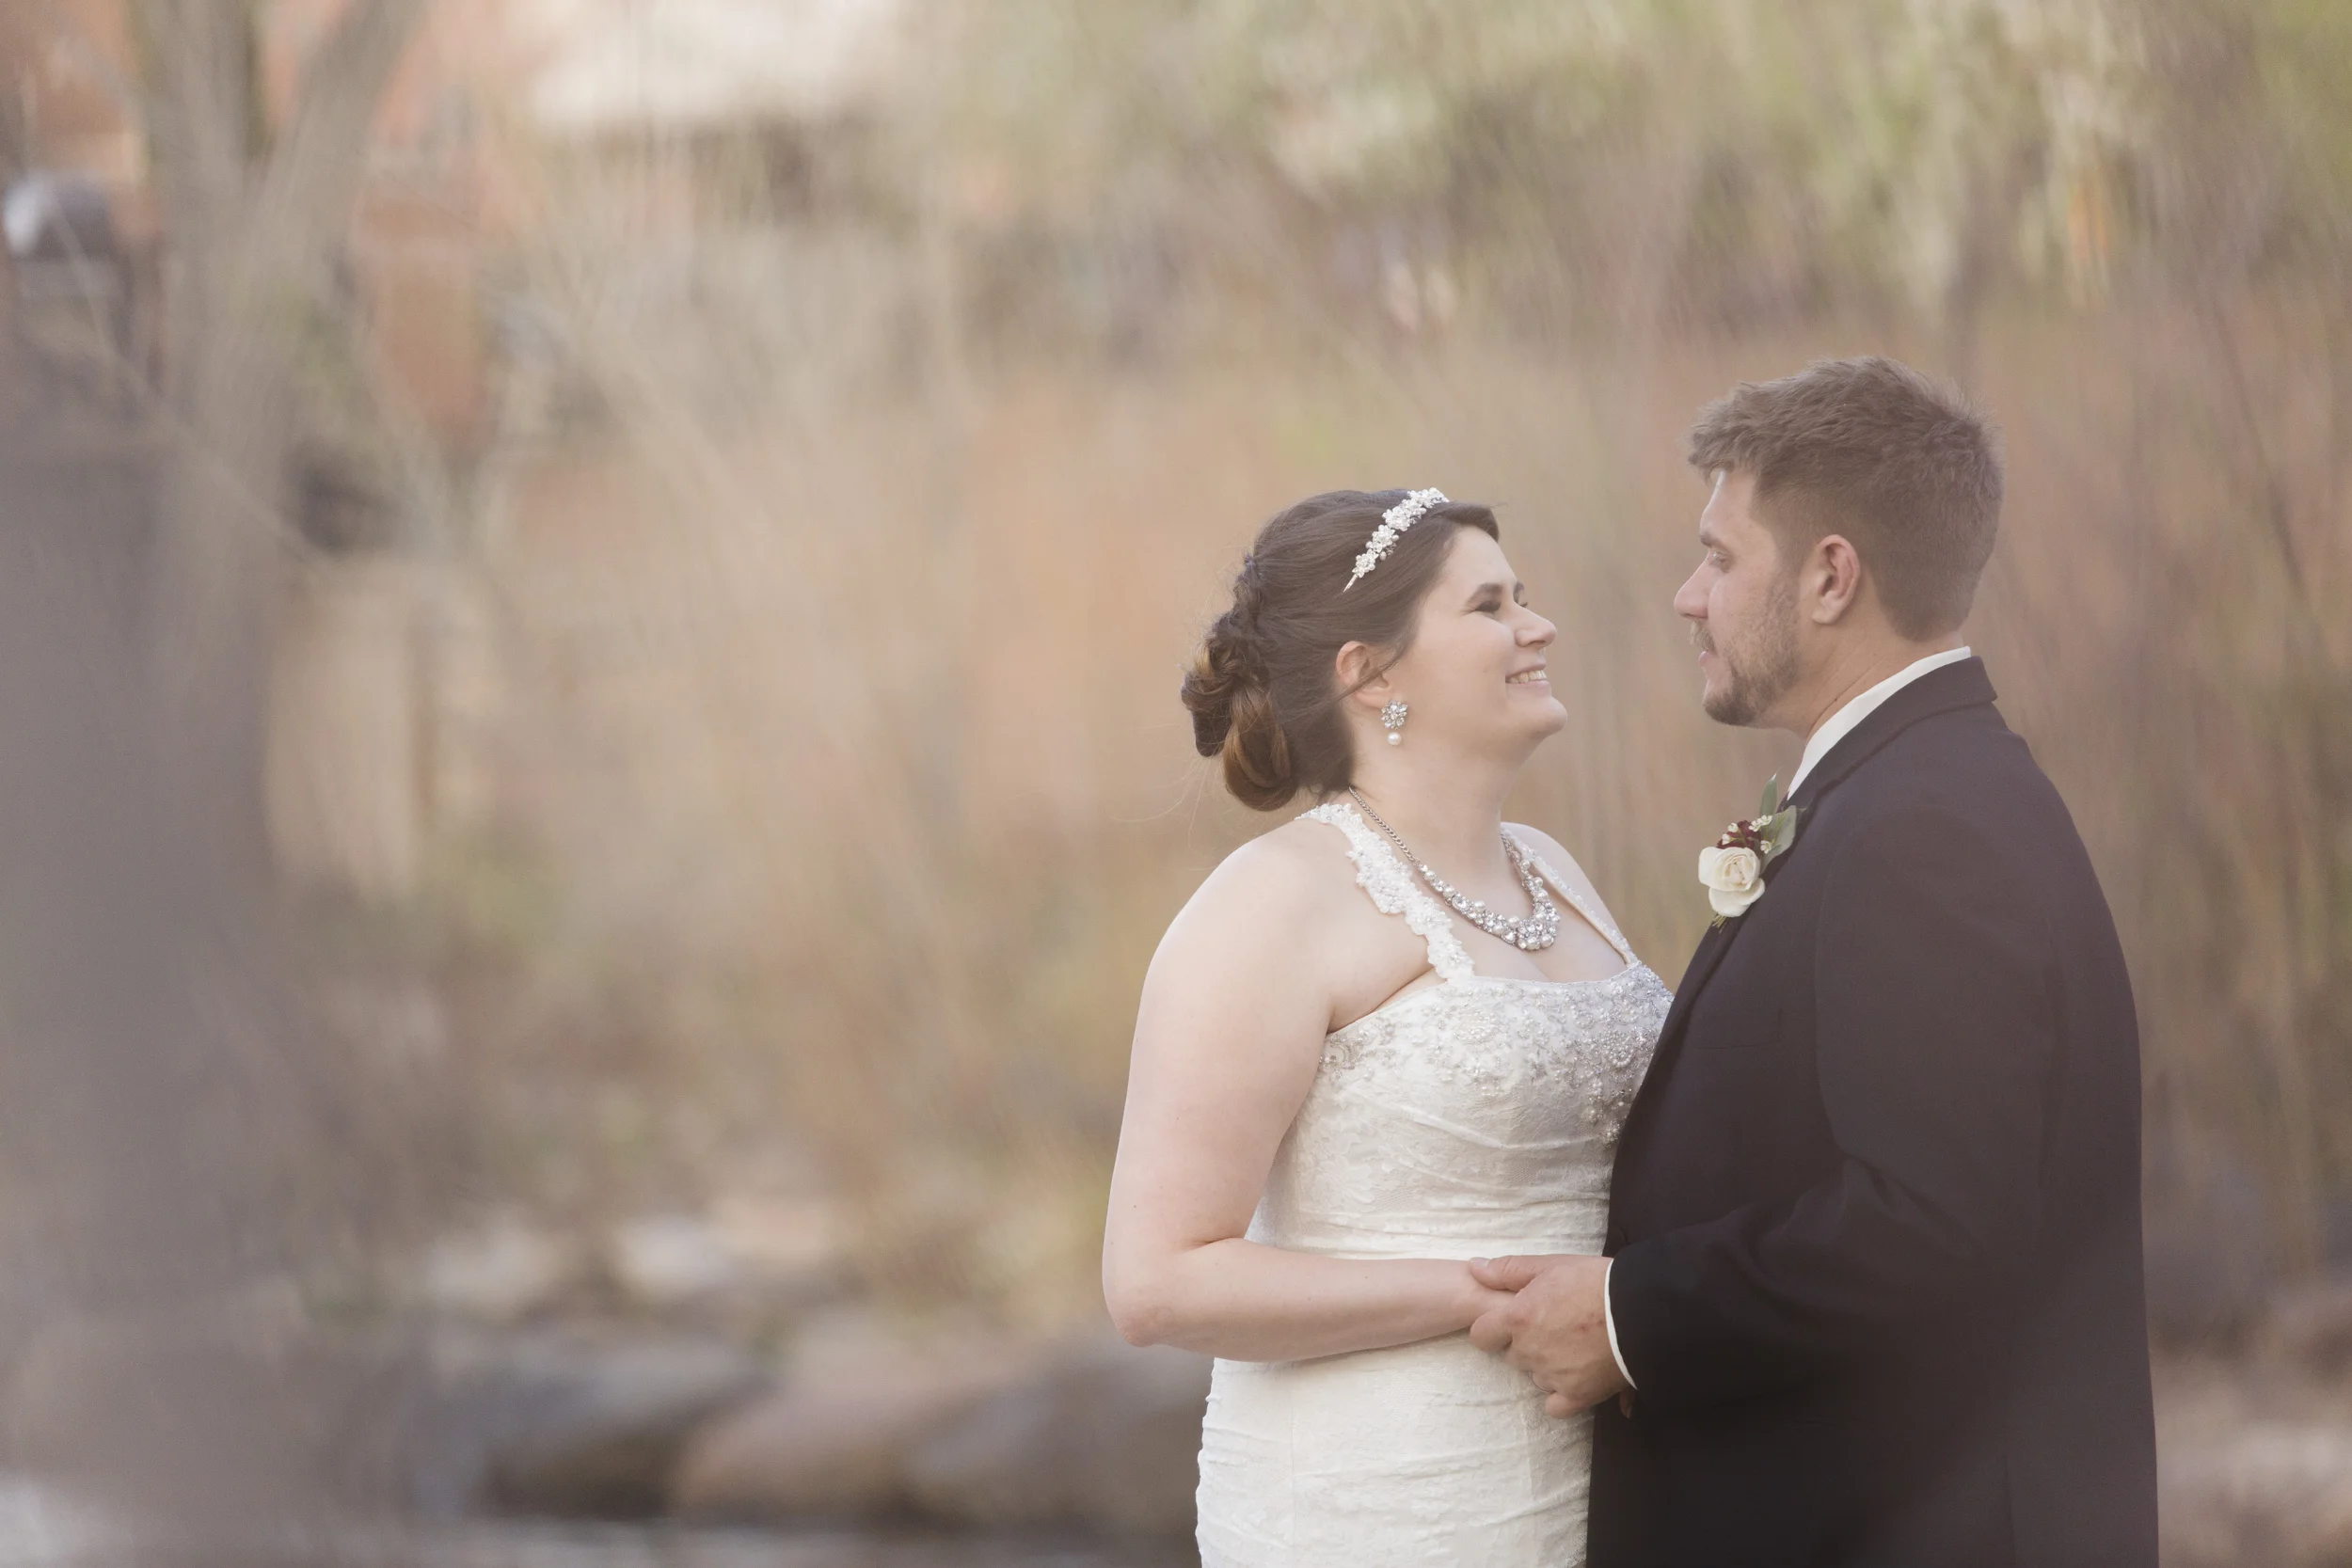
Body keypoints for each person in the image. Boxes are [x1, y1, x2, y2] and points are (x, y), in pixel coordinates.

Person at [1468, 357, 2159, 1567]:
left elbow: (1932, 1223)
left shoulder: (1924, 829)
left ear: (1831, 575)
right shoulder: (1913, 790)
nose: (1688, 596)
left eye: (1721, 557)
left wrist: (1631, 1317)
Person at [1101, 488, 1672, 1564]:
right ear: (1372, 673)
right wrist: (1491, 1295)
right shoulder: (1271, 904)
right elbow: (1158, 1278)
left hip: (1600, 1484)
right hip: (1384, 1499)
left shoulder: (1556, 869)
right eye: (1491, 605)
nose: (1536, 626)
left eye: (1524, 599)